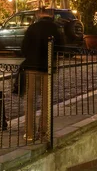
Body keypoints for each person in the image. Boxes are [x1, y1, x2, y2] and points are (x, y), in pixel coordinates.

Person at [21, 10, 62, 142]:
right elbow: (62, 47)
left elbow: (23, 48)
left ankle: (29, 133)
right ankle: (44, 132)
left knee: (30, 101)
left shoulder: (32, 28)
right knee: (46, 101)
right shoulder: (55, 29)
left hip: (31, 67)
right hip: (47, 68)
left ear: (38, 16)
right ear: (51, 16)